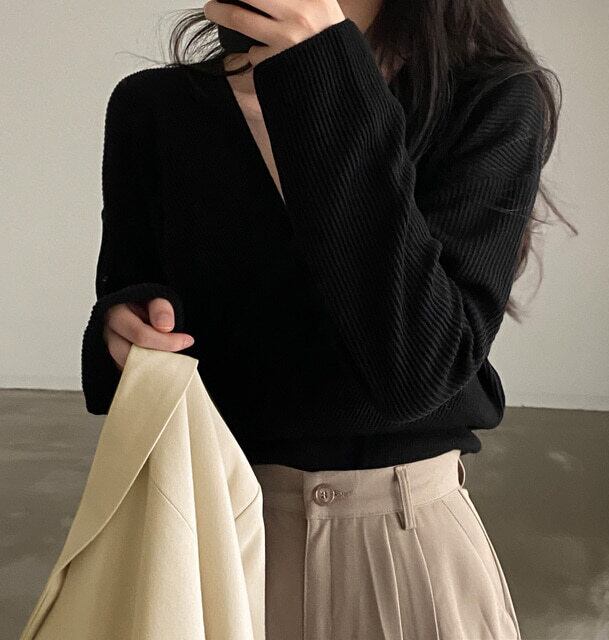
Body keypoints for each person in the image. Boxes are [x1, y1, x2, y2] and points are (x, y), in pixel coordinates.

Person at [81, 0, 568, 637]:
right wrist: (123, 333)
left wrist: (323, 74)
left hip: (402, 548)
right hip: (205, 543)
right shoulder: (155, 106)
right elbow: (130, 306)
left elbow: (416, 369)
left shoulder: (487, 100)